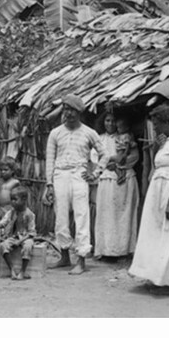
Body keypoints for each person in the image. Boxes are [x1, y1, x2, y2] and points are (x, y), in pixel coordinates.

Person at [128, 104, 169, 292]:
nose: (155, 128)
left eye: (157, 124)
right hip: (159, 189)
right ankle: (157, 277)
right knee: (157, 235)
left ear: (167, 122)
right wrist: (158, 145)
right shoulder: (168, 141)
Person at [44, 94, 105, 275]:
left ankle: (81, 259)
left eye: (72, 110)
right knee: (61, 217)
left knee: (81, 216)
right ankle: (64, 257)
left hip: (79, 176)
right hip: (59, 175)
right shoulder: (55, 133)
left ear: (79, 112)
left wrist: (95, 172)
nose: (68, 113)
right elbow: (50, 159)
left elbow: (105, 154)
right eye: (66, 109)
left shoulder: (89, 132)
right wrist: (49, 184)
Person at [94, 112, 139, 259]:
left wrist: (121, 165)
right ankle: (107, 250)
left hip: (124, 180)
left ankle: (123, 250)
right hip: (107, 179)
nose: (111, 124)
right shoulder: (99, 139)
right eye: (107, 120)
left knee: (123, 215)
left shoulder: (126, 138)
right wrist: (108, 165)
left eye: (114, 121)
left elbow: (134, 157)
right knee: (107, 215)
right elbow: (95, 159)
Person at [0, 186, 37, 280]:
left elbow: (31, 232)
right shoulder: (11, 212)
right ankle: (12, 269)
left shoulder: (29, 214)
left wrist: (20, 241)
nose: (12, 202)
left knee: (27, 247)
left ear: (24, 200)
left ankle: (23, 271)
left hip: (25, 237)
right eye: (11, 199)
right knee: (3, 245)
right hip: (14, 236)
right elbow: (3, 222)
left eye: (15, 199)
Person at [0, 157, 21, 221]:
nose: (3, 172)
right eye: (1, 170)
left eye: (6, 170)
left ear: (12, 170)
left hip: (9, 208)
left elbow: (18, 197)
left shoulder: (15, 182)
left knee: (8, 226)